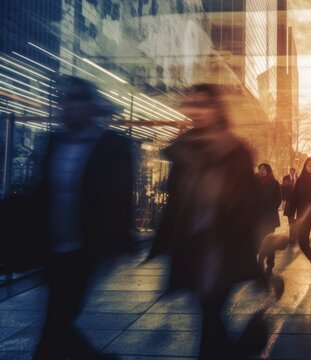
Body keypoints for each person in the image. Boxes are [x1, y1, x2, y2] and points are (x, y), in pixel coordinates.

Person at [150, 84, 268, 359]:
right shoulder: (184, 149)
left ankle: (236, 350)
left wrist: (253, 249)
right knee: (209, 315)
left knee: (210, 312)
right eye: (191, 105)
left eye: (203, 104)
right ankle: (237, 351)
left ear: (217, 109)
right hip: (192, 247)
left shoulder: (235, 150)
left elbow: (249, 204)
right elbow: (175, 202)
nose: (196, 111)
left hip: (222, 247)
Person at [34, 76, 133, 360]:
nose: (70, 105)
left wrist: (117, 242)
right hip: (52, 246)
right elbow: (42, 192)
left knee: (56, 320)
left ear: (92, 106)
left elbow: (119, 197)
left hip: (85, 247)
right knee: (58, 320)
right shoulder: (54, 140)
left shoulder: (112, 145)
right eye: (66, 98)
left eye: (78, 98)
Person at [256, 163, 282, 272]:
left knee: (269, 239)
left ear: (268, 170)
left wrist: (272, 207)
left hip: (270, 216)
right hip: (258, 216)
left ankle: (270, 262)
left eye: (263, 169)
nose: (261, 171)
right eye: (260, 169)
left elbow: (278, 199)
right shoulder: (255, 182)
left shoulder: (274, 183)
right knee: (259, 239)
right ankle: (261, 259)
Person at [282, 167, 297, 243]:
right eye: (290, 171)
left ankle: (293, 235)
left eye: (292, 171)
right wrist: (283, 200)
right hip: (288, 201)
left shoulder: (298, 178)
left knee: (295, 219)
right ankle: (292, 236)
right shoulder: (286, 178)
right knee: (290, 219)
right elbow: (283, 189)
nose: (291, 172)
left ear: (294, 172)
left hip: (297, 202)